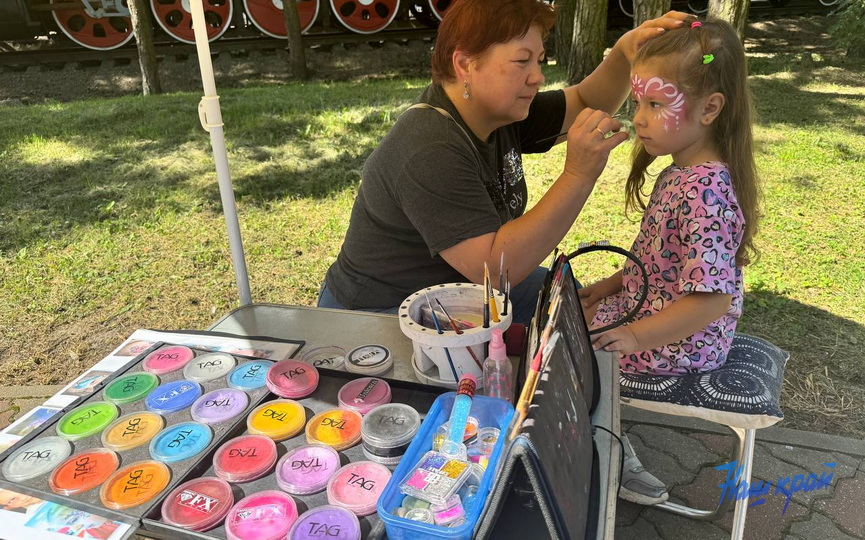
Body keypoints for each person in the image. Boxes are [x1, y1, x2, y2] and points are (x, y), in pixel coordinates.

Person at [317, 0, 689, 327]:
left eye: (539, 60)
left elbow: (586, 100)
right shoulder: (429, 146)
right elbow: (495, 272)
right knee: (506, 363)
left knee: (573, 302)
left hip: (456, 290)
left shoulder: (498, 111)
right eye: (521, 61)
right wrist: (578, 174)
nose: (537, 76)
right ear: (465, 64)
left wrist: (625, 53)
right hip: (377, 312)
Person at [579, 18, 761, 504]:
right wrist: (615, 284)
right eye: (637, 101)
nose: (638, 117)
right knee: (566, 315)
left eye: (655, 103)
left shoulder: (705, 190)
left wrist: (635, 334)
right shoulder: (681, 171)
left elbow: (711, 301)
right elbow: (663, 260)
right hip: (662, 314)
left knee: (572, 352)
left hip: (686, 340)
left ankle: (606, 455)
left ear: (710, 109)